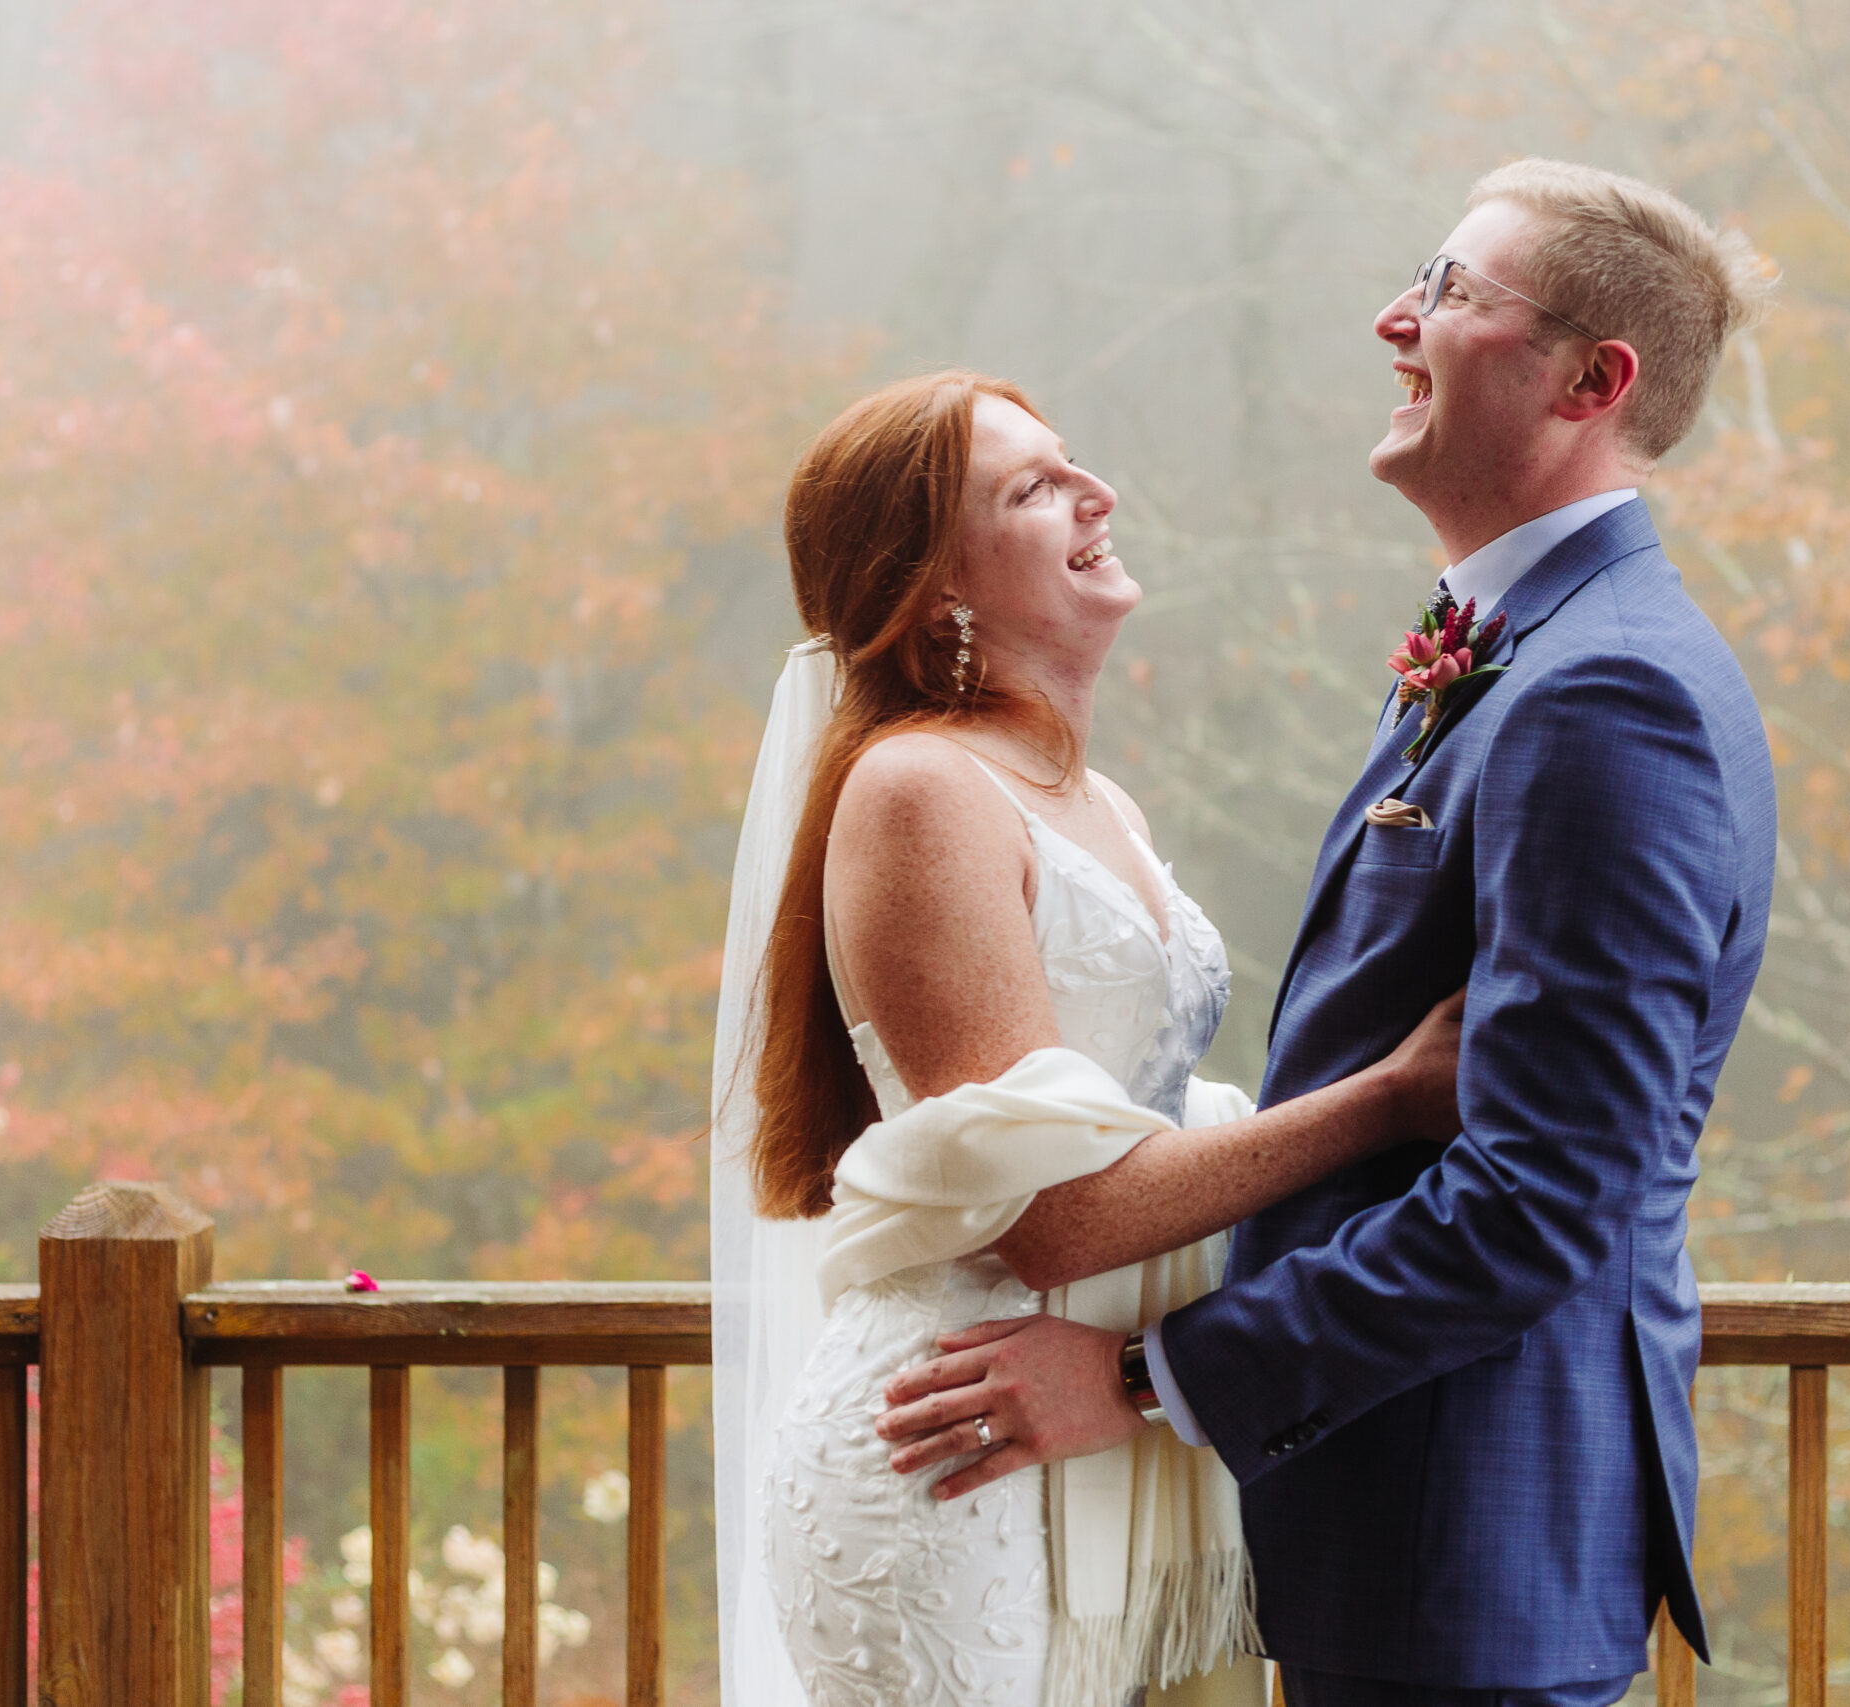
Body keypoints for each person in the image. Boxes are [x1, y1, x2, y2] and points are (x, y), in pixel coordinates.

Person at [877, 160, 1778, 1705]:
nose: (1395, 317)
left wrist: (1146, 1377)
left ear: (1590, 380)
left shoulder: (1608, 698)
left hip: (1466, 1531)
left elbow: (1539, 1203)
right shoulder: (1512, 656)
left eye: (1450, 291)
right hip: (1392, 1522)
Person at [708, 368, 1468, 1707]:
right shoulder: (919, 790)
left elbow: (1145, 1108)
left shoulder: (1088, 795)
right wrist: (1393, 1097)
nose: (1094, 491)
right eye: (1031, 485)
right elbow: (1050, 1220)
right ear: (934, 586)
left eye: (1072, 464)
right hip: (961, 1448)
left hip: (1109, 1428)